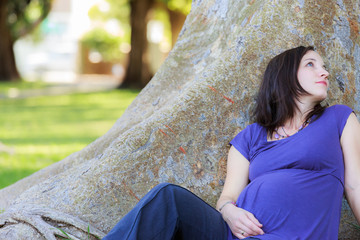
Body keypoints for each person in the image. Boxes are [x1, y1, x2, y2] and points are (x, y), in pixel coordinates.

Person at [103, 46, 360, 240]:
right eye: (311, 64)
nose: (324, 71)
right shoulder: (251, 136)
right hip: (232, 235)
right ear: (285, 76)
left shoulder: (338, 118)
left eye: (323, 66)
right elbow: (228, 197)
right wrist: (230, 213)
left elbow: (355, 187)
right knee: (167, 197)